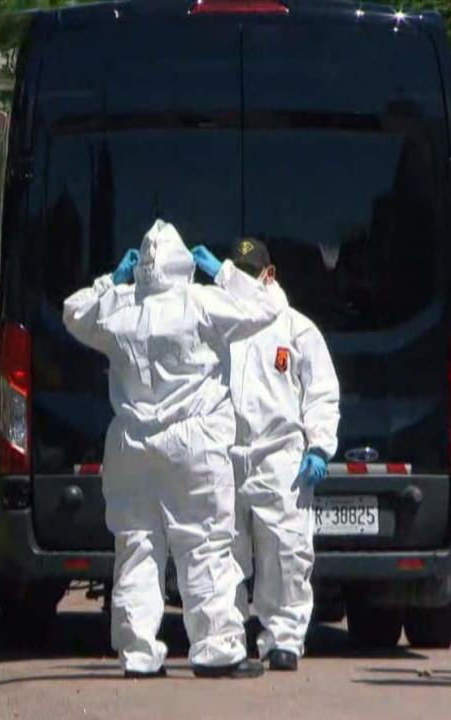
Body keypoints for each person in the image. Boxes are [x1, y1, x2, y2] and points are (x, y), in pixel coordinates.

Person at [63, 220, 285, 679]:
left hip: (132, 444)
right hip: (193, 442)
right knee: (204, 542)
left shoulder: (119, 309)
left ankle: (139, 652)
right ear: (184, 263)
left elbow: (73, 311)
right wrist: (225, 272)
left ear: (142, 268)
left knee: (138, 547)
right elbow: (268, 307)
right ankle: (216, 648)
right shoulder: (201, 303)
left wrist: (112, 279)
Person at [194, 239, 340, 672]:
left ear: (268, 275)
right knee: (222, 551)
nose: (236, 280)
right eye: (232, 270)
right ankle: (227, 636)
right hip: (224, 453)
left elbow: (322, 393)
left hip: (278, 456)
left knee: (286, 551)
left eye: (246, 272)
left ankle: (285, 638)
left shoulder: (296, 329)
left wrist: (318, 445)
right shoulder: (219, 322)